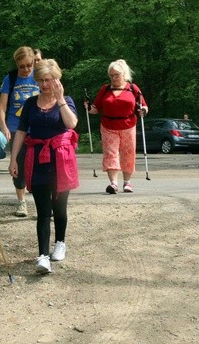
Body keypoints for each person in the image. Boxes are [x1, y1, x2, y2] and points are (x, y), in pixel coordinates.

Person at [9, 59, 79, 274]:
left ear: (57, 80)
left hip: (60, 159)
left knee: (59, 207)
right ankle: (42, 255)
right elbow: (21, 131)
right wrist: (13, 159)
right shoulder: (30, 103)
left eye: (48, 80)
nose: (44, 84)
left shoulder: (65, 100)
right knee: (42, 210)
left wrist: (60, 100)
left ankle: (60, 242)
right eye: (40, 80)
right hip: (37, 158)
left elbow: (71, 124)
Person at [87, 59, 148, 194]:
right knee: (111, 153)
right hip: (108, 126)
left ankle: (127, 183)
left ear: (124, 74)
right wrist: (88, 108)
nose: (113, 78)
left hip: (128, 125)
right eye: (111, 75)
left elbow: (143, 105)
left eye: (116, 75)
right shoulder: (105, 89)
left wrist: (143, 110)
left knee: (128, 153)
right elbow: (96, 109)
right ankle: (113, 184)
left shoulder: (133, 88)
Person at [0, 46, 40, 217]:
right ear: (16, 64)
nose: (26, 69)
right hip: (16, 127)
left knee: (38, 166)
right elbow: (1, 106)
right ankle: (21, 202)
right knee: (18, 165)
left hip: (37, 127)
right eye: (22, 66)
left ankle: (40, 203)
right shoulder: (11, 78)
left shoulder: (38, 76)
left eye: (29, 65)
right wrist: (4, 126)